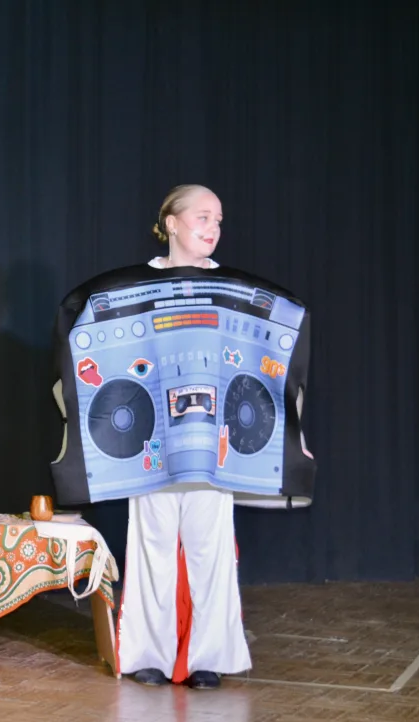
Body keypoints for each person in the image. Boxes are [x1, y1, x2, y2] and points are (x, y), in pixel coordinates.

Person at [117, 184, 252, 690]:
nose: (213, 228)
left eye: (218, 220)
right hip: (154, 439)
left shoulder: (233, 289)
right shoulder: (135, 288)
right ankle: (147, 655)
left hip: (213, 443)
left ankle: (207, 658)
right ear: (171, 223)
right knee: (150, 545)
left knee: (211, 549)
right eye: (203, 217)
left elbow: (258, 366)